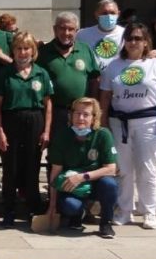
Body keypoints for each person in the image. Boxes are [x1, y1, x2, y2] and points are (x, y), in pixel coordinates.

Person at [99, 23, 156, 230]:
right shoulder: (114, 66)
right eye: (130, 38)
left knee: (146, 167)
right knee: (123, 168)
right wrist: (103, 122)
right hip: (119, 122)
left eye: (138, 39)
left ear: (146, 42)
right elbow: (105, 96)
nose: (134, 42)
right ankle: (124, 210)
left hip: (148, 122)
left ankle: (149, 211)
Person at [0, 32, 53, 226]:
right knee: (10, 166)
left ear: (33, 51)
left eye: (27, 48)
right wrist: (0, 131)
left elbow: (48, 104)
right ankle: (9, 209)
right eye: (19, 48)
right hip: (12, 120)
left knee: (32, 166)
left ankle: (32, 208)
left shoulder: (41, 73)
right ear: (13, 50)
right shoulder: (4, 73)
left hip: (35, 120)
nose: (22, 52)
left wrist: (47, 131)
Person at [47, 97, 119, 239]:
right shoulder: (62, 135)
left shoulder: (103, 135)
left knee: (110, 184)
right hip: (72, 187)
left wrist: (82, 177)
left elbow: (111, 169)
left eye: (86, 115)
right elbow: (55, 171)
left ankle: (106, 223)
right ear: (71, 115)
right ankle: (79, 214)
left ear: (94, 118)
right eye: (77, 113)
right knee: (69, 206)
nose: (80, 118)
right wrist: (52, 206)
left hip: (94, 183)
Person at [37, 11, 100, 139]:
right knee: (57, 151)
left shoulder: (85, 50)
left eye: (71, 29)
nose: (66, 33)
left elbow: (94, 79)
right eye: (62, 28)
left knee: (80, 150)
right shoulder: (43, 52)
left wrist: (93, 107)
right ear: (55, 29)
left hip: (81, 113)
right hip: (55, 113)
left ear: (76, 31)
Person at [76, 0, 124, 71]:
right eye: (104, 13)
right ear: (96, 14)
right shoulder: (82, 35)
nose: (109, 16)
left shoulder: (127, 34)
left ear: (118, 14)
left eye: (112, 13)